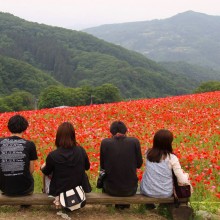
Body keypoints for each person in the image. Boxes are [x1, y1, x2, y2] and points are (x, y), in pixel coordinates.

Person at [41, 122, 90, 207]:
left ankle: (47, 193)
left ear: (58, 137)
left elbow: (46, 171)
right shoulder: (81, 150)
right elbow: (87, 167)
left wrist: (43, 166)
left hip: (60, 190)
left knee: (45, 173)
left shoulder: (53, 155)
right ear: (73, 135)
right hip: (79, 188)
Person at [100, 121, 143, 209]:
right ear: (125, 131)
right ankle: (124, 205)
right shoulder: (134, 142)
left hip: (110, 189)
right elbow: (139, 165)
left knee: (103, 171)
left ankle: (110, 204)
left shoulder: (105, 142)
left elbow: (103, 166)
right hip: (130, 189)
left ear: (111, 131)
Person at [140, 129, 191, 201]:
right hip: (164, 193)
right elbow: (182, 180)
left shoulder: (148, 153)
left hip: (146, 191)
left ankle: (150, 205)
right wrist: (186, 175)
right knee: (184, 177)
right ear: (169, 143)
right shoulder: (172, 158)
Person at [0, 114, 38, 196]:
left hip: (4, 187)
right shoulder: (30, 144)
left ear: (9, 127)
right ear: (25, 128)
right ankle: (25, 203)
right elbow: (31, 170)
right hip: (25, 188)